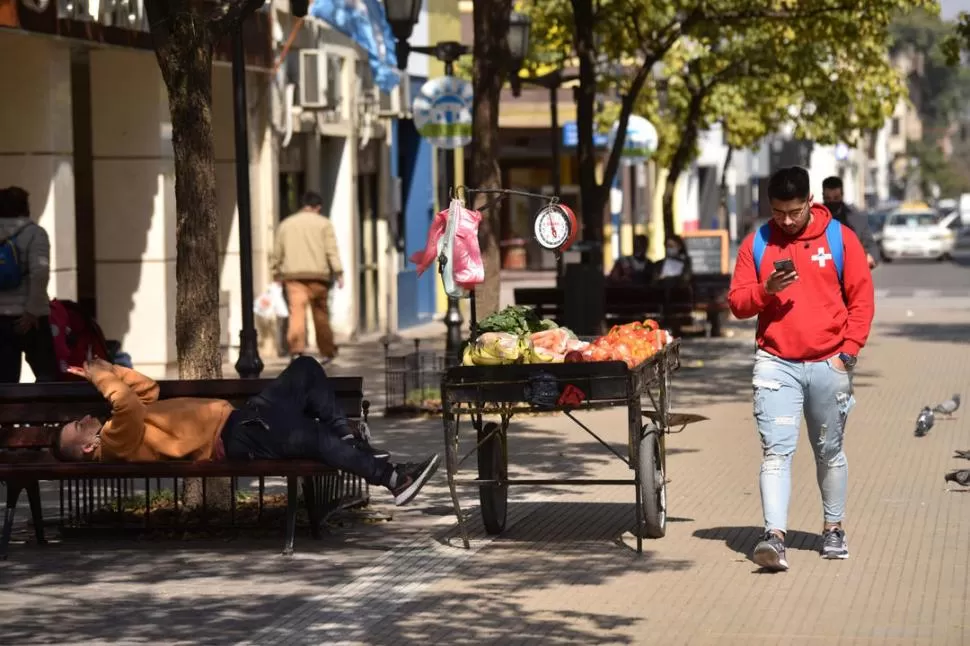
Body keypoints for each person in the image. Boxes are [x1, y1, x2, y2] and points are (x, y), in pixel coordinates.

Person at [728, 166, 874, 572]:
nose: (786, 221)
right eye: (778, 212)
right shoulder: (757, 242)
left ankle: (833, 528)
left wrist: (847, 352)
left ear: (809, 202)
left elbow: (861, 299)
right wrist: (765, 291)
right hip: (776, 364)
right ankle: (774, 537)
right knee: (775, 452)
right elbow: (738, 303)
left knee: (829, 451)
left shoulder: (840, 239)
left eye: (793, 212)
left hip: (830, 362)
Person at [54, 356, 440, 507]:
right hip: (236, 436)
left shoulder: (121, 428)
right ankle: (392, 478)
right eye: (77, 427)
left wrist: (114, 370)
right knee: (311, 438)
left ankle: (347, 439)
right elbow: (128, 404)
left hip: (243, 419)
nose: (83, 420)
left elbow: (146, 393)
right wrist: (101, 378)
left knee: (305, 369)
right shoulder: (114, 441)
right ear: (88, 448)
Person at [272, 191, 344, 364]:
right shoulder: (324, 224)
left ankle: (297, 351)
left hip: (294, 278)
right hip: (319, 277)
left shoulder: (286, 224)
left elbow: (277, 253)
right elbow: (331, 251)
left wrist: (275, 273)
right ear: (318, 207)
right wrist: (339, 272)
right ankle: (327, 351)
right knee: (321, 315)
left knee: (296, 313)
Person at [0, 186, 58, 383]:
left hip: (1, 319)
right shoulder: (35, 233)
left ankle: (8, 414)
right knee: (47, 375)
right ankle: (50, 413)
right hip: (30, 317)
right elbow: (40, 272)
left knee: (6, 381)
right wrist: (32, 310)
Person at [821, 176, 878, 269]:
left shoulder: (857, 218)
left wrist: (871, 257)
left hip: (852, 269)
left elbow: (871, 245)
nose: (832, 202)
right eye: (828, 198)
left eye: (836, 198)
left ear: (842, 195)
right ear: (823, 196)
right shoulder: (815, 217)